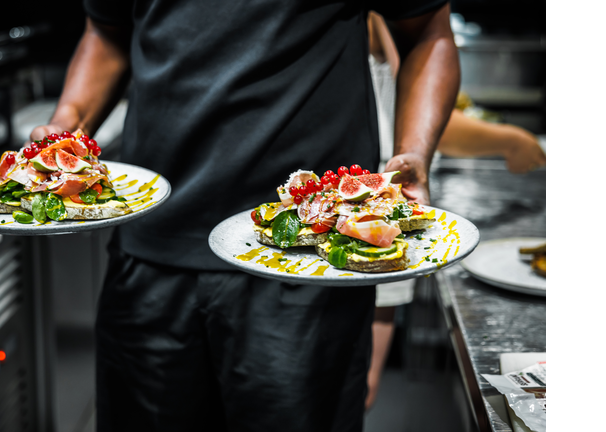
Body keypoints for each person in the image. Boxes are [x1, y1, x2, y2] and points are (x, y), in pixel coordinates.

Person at [30, 1, 459, 430]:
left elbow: (428, 33)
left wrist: (414, 151)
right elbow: (108, 32)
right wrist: (68, 123)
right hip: (150, 256)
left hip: (303, 265)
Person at [364, 11, 545, 411]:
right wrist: (511, 140)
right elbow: (434, 116)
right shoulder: (376, 15)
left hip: (380, 194)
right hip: (370, 205)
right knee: (358, 382)